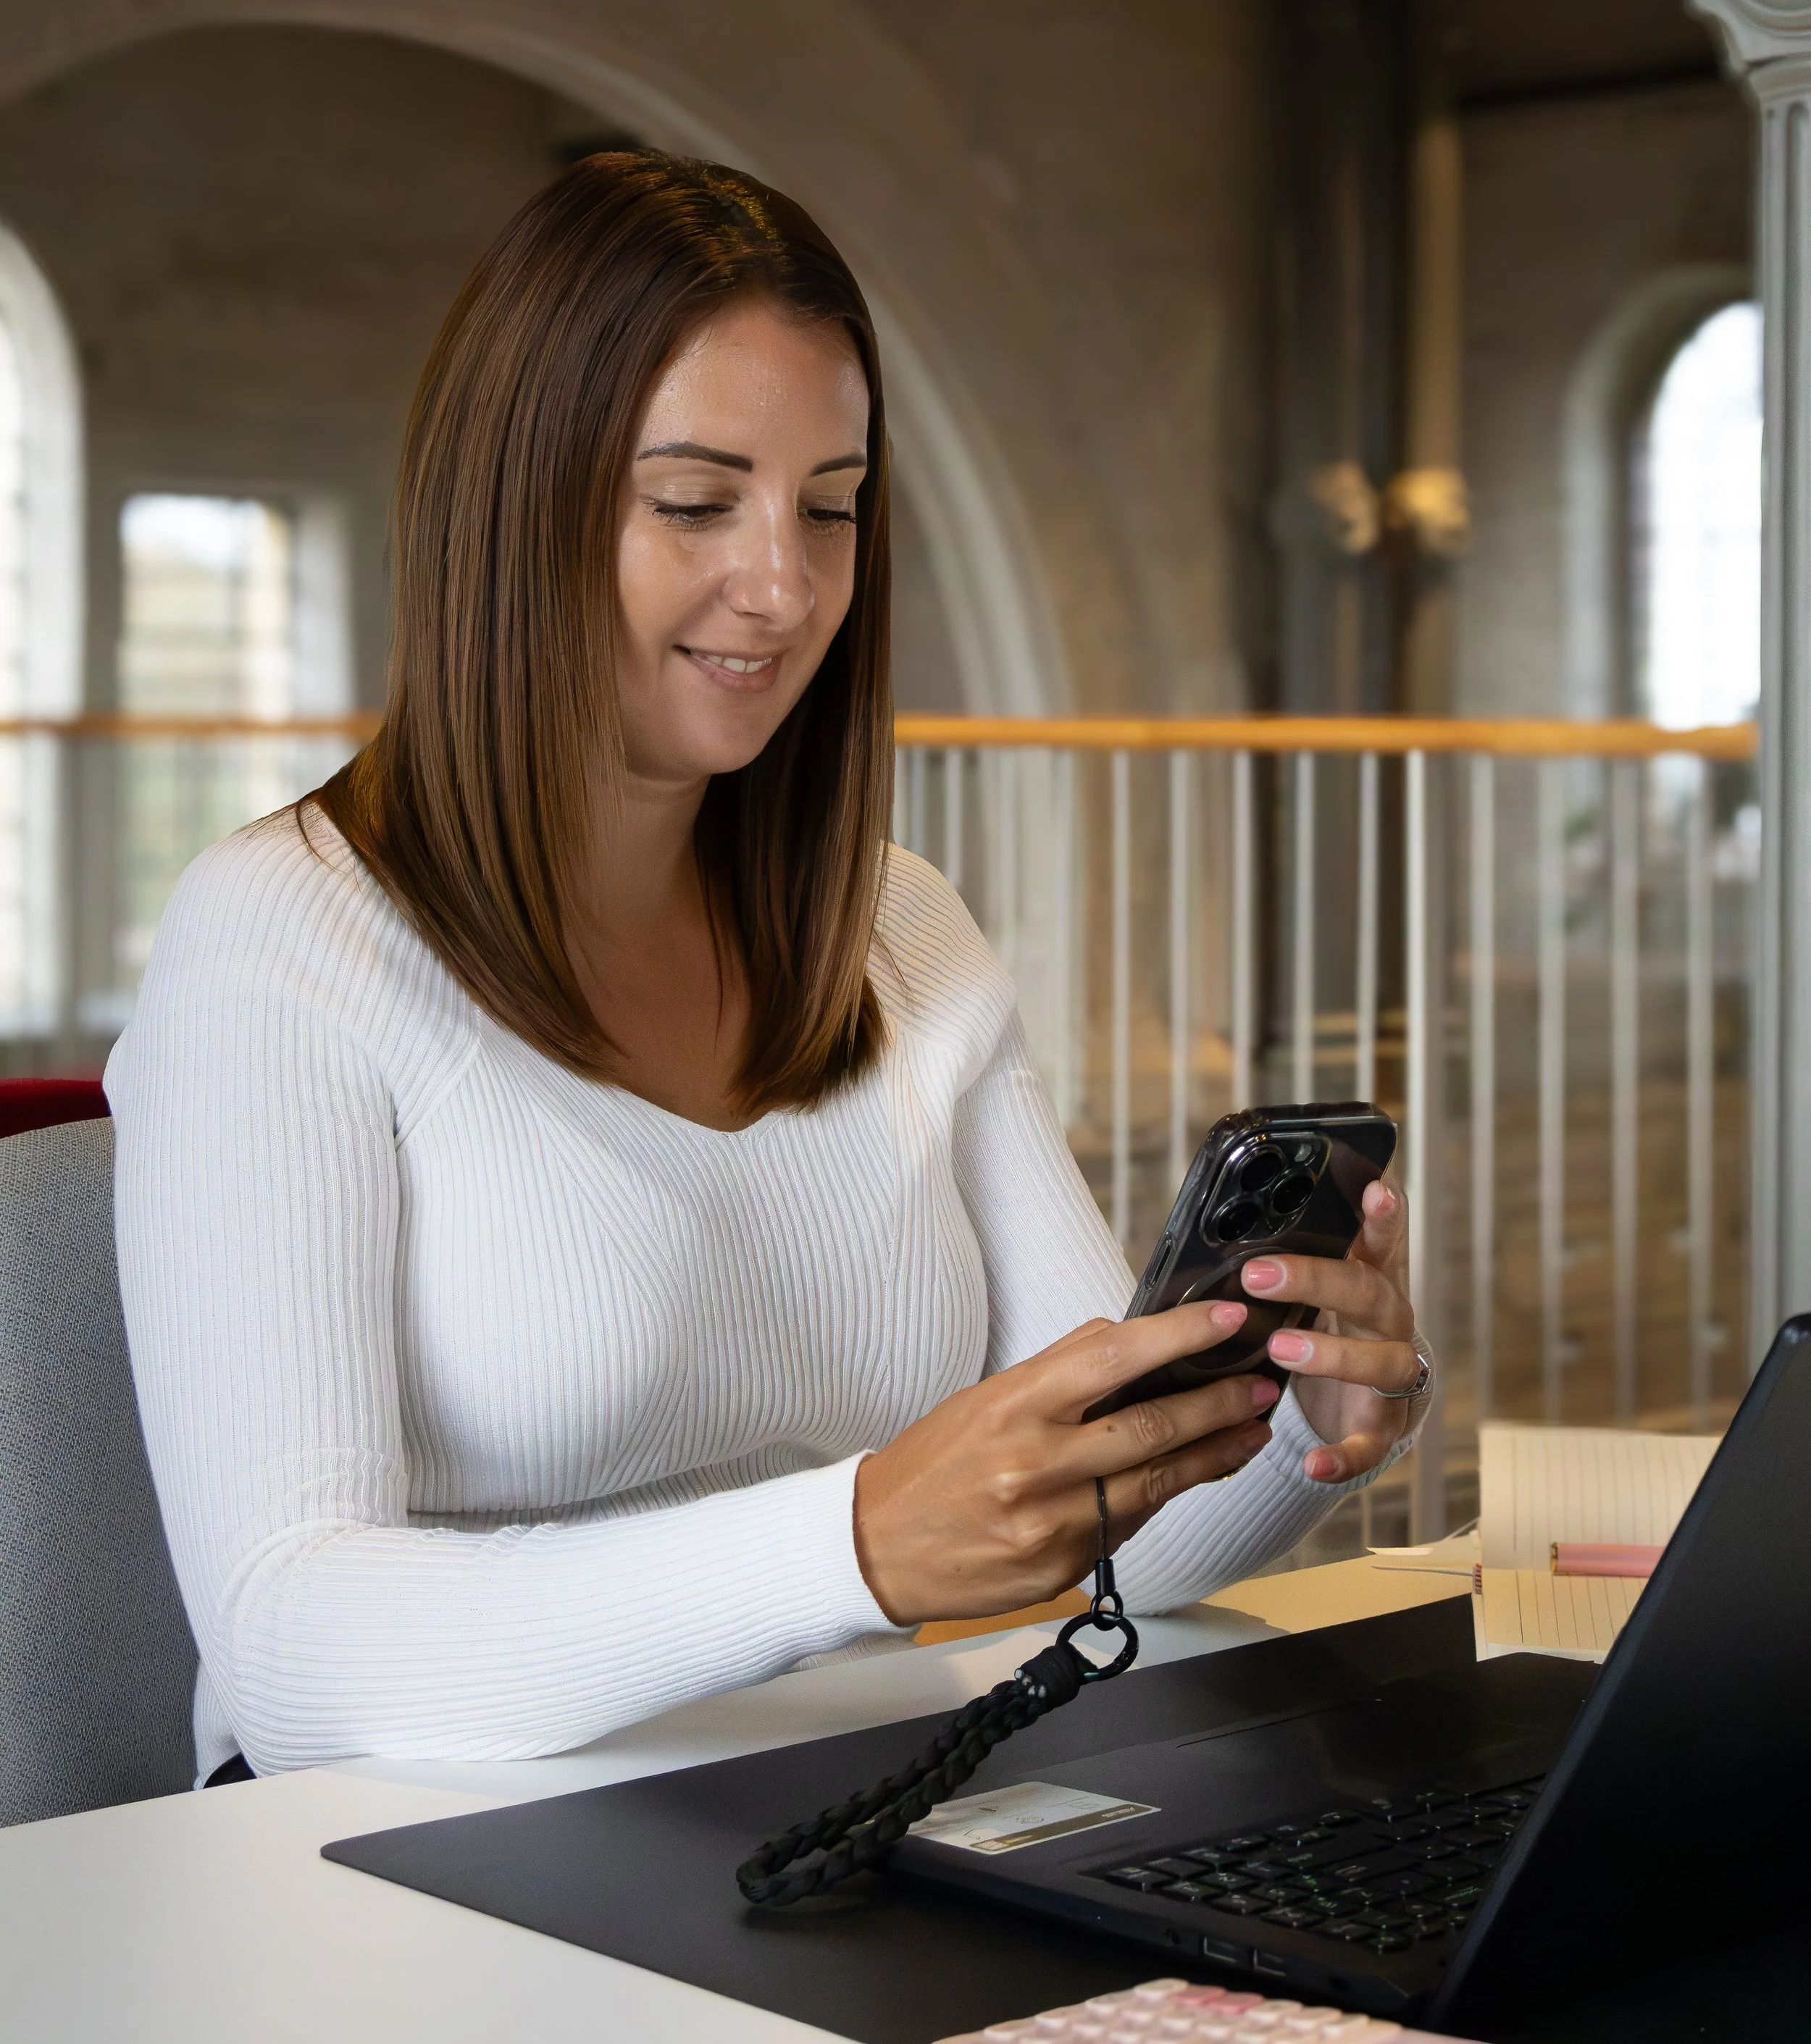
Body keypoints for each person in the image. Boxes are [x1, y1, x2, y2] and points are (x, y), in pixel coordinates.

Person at [112, 152, 1431, 1780]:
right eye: (693, 502)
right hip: (396, 1870)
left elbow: (1113, 1537)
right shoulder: (279, 937)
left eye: (828, 506)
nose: (784, 587)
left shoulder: (897, 924)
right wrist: (857, 1545)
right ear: (511, 502)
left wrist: (1284, 1411)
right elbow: (290, 1653)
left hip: (830, 1802)